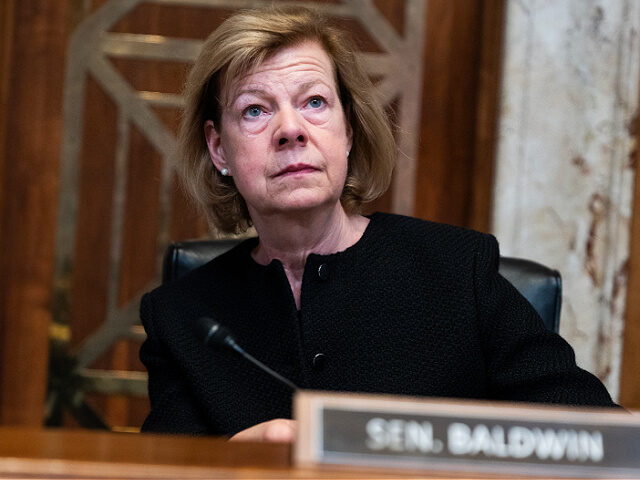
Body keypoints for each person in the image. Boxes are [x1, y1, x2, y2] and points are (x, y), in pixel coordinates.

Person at [139, 6, 616, 442]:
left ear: (348, 130)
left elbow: (593, 436)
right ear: (219, 148)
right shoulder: (183, 316)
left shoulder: (458, 271)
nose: (291, 129)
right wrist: (231, 463)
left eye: (315, 102)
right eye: (255, 110)